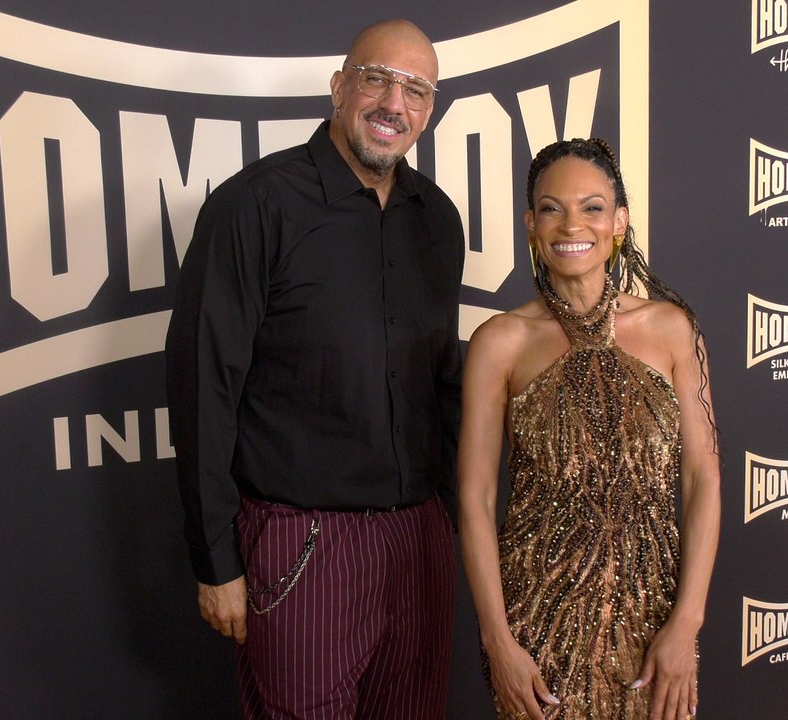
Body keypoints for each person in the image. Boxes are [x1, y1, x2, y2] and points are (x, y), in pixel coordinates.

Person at [164, 18, 464, 720]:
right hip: (302, 546)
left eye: (416, 90)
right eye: (376, 79)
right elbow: (204, 387)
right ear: (338, 87)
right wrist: (216, 559)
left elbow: (442, 382)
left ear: (429, 110)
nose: (394, 103)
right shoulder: (255, 205)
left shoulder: (437, 219)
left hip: (418, 541)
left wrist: (447, 519)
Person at [458, 138, 721, 720]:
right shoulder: (499, 343)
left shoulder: (672, 329)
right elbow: (475, 499)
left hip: (655, 620)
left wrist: (687, 621)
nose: (571, 225)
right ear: (531, 224)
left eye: (592, 207)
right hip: (538, 622)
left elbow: (703, 478)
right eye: (551, 208)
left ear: (619, 222)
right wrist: (498, 641)